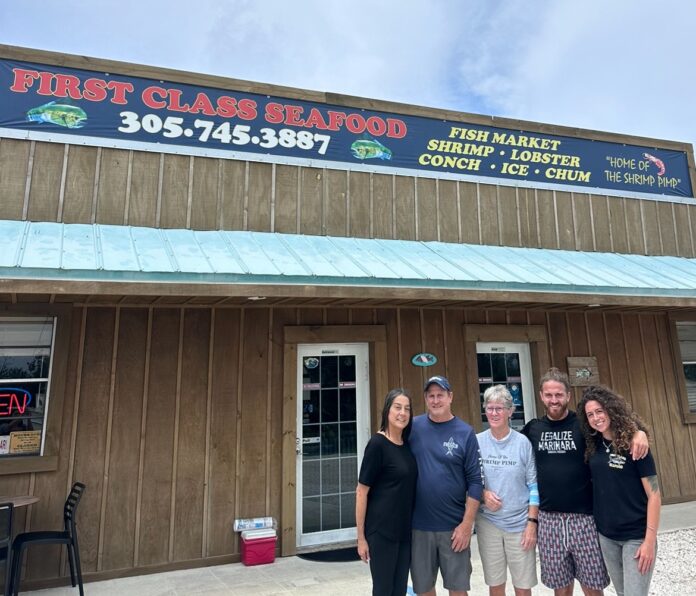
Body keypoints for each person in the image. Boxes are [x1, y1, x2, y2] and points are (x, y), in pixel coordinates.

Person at [522, 368, 649, 596]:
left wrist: (639, 432)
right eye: (549, 395)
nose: (554, 400)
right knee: (560, 587)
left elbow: (614, 425)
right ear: (541, 396)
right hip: (549, 520)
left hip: (585, 518)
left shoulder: (584, 424)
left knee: (592, 585)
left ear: (568, 396)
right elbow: (512, 450)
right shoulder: (533, 429)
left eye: (559, 395)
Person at [578, 385, 661, 596]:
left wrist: (649, 541)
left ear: (611, 409)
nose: (596, 418)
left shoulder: (635, 445)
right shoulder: (593, 445)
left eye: (599, 411)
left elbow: (654, 494)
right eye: (590, 414)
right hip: (607, 537)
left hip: (635, 536)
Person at [409, 375, 483, 596]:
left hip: (454, 527)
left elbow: (476, 482)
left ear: (450, 397)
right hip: (419, 526)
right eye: (430, 396)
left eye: (440, 395)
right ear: (425, 398)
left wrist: (466, 524)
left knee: (458, 589)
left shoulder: (465, 432)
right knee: (424, 589)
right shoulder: (413, 427)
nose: (435, 400)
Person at [477, 385, 539, 596]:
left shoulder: (522, 443)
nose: (494, 413)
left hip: (520, 524)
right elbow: (470, 481)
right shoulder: (477, 442)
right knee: (496, 585)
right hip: (489, 524)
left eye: (500, 408)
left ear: (510, 411)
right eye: (490, 408)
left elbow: (533, 485)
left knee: (522, 587)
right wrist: (483, 495)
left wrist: (532, 523)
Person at [356, 388, 418, 596]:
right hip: (382, 532)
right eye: (397, 407)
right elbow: (361, 492)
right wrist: (361, 538)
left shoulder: (406, 444)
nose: (402, 413)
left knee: (399, 589)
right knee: (383, 590)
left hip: (404, 531)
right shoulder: (377, 444)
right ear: (387, 411)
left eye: (407, 409)